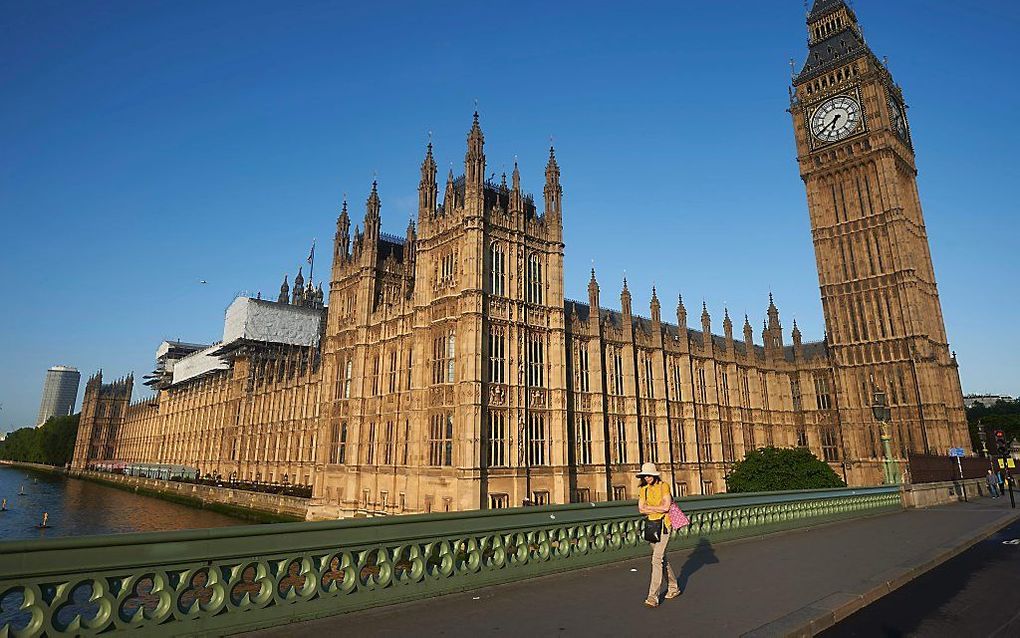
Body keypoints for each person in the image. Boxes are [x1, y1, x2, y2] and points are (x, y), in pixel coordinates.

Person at [637, 462, 681, 608]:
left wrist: (650, 507)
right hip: (651, 527)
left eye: (649, 475)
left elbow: (666, 507)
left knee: (656, 559)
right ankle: (674, 587)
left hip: (664, 526)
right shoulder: (644, 489)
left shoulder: (664, 486)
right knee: (662, 559)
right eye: (645, 476)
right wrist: (657, 508)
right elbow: (641, 509)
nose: (647, 478)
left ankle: (653, 596)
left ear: (655, 475)